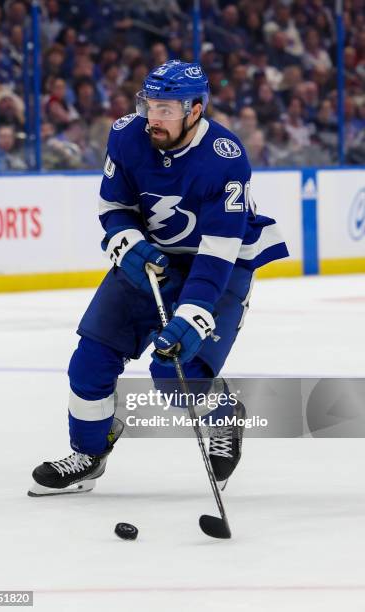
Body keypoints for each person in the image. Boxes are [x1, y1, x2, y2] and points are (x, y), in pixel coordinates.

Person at [28, 60, 288, 497]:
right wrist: (126, 242)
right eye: (149, 105)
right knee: (90, 362)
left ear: (196, 110)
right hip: (152, 259)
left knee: (174, 375)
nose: (154, 118)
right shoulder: (128, 134)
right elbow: (114, 207)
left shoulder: (224, 157)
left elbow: (218, 250)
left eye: (167, 109)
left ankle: (224, 415)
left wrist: (192, 314)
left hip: (218, 264)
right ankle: (89, 455)